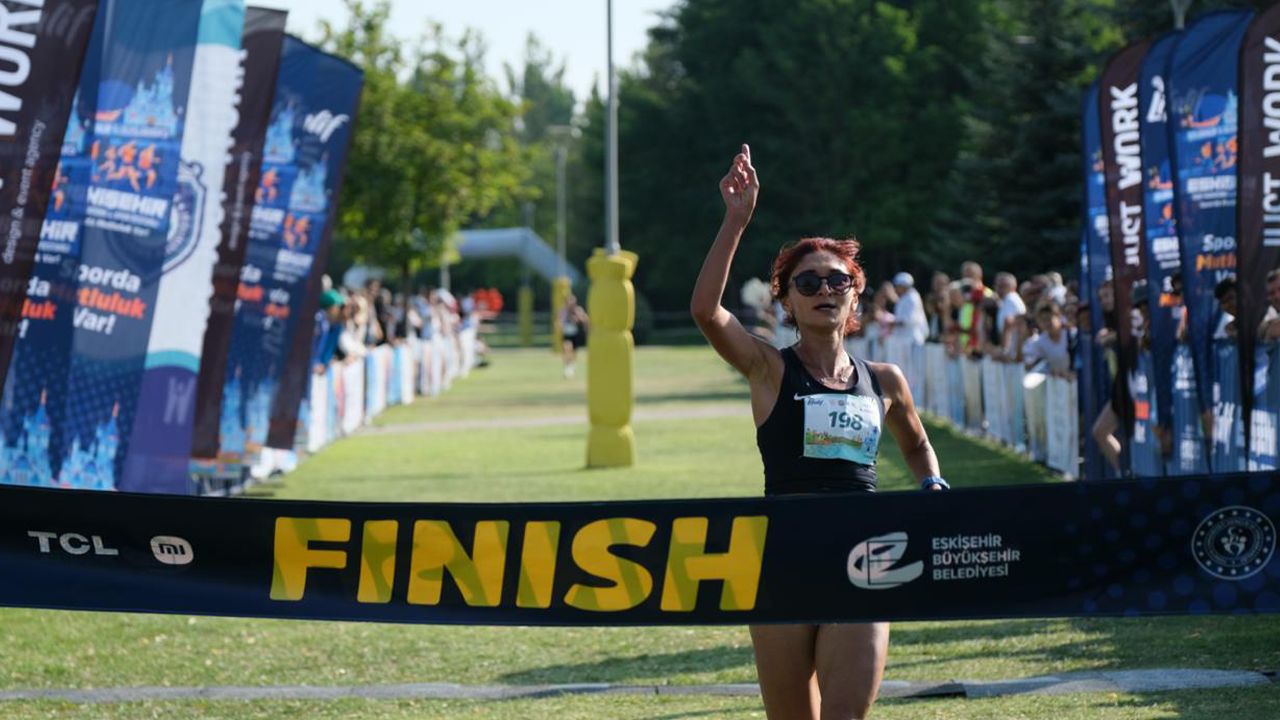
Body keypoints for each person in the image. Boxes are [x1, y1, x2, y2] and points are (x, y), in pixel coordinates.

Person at [691, 144, 946, 720]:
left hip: (865, 553)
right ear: (785, 299)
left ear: (855, 292)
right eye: (807, 283)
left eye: (837, 280)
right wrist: (736, 221)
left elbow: (916, 443)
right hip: (783, 556)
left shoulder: (885, 380)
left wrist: (932, 483)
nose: (824, 290)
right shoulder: (768, 369)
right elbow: (706, 312)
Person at [891, 271, 927, 345]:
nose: (895, 289)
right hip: (905, 339)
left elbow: (907, 320)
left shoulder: (912, 298)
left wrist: (891, 323)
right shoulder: (905, 298)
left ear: (904, 286)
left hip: (911, 339)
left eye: (897, 286)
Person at [560, 293, 588, 378]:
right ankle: (567, 366)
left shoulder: (578, 310)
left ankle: (571, 366)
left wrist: (578, 318)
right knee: (567, 348)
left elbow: (585, 320)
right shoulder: (563, 311)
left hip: (575, 334)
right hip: (567, 333)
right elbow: (561, 322)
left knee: (573, 352)